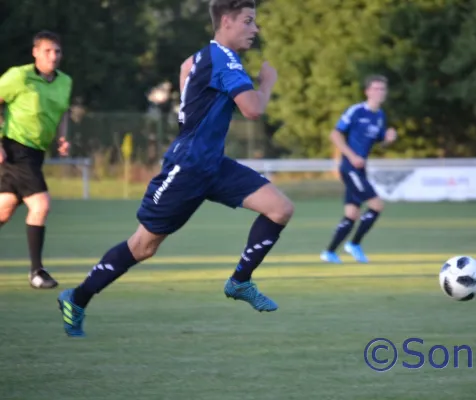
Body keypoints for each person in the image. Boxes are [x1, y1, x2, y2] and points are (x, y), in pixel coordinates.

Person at [57, 0, 294, 337]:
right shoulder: (224, 59)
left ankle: (240, 282)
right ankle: (77, 298)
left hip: (212, 164)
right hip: (186, 168)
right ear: (226, 21)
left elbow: (186, 68)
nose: (255, 29)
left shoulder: (204, 57)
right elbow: (253, 109)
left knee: (280, 209)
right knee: (143, 246)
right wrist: (267, 82)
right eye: (249, 21)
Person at [0, 30, 72, 289]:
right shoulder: (19, 76)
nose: (53, 56)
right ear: (35, 53)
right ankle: (36, 272)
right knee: (41, 205)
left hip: (36, 153)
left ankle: (36, 271)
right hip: (15, 149)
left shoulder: (64, 81)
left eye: (57, 51)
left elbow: (63, 112)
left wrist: (62, 138)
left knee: (5, 208)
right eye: (47, 51)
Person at [320, 75, 396, 264]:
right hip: (349, 167)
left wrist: (388, 139)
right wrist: (352, 156)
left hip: (361, 170)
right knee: (377, 205)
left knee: (352, 214)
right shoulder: (356, 111)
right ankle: (354, 244)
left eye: (382, 89)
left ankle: (329, 253)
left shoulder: (380, 116)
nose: (379, 92)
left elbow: (379, 141)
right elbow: (335, 134)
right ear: (367, 91)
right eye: (376, 88)